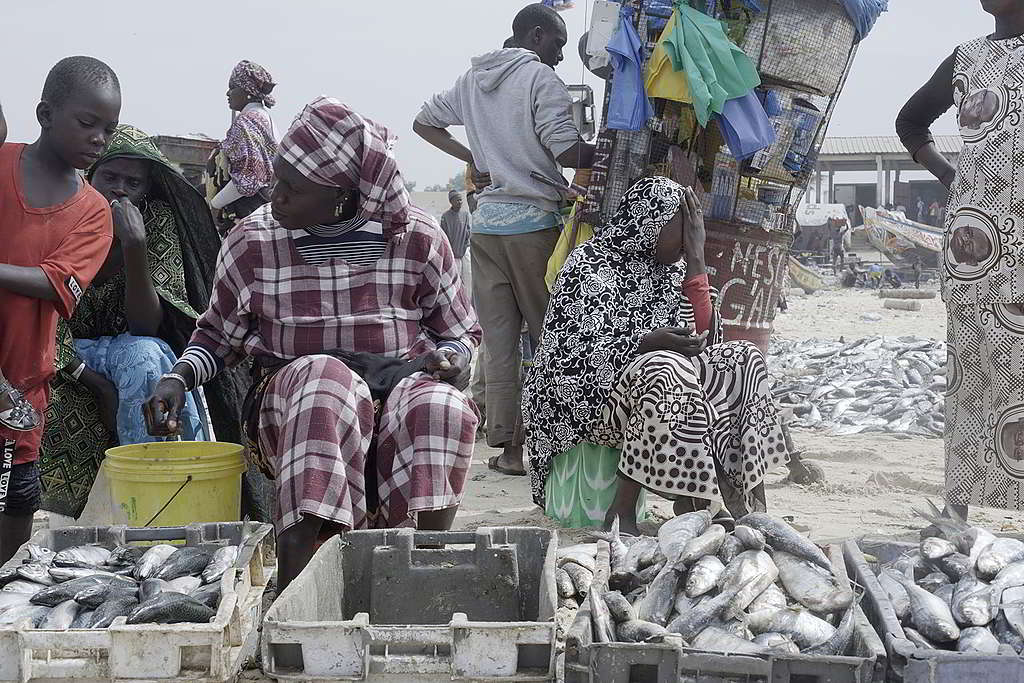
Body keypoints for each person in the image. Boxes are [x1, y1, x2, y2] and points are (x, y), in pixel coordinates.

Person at [144, 97, 480, 591]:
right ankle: (297, 588)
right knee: (329, 381)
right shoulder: (254, 241)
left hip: (395, 388)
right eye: (278, 178)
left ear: (345, 198)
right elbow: (217, 337)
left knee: (439, 404)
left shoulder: (417, 238)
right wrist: (177, 377)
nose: (275, 196)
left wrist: (453, 360)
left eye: (293, 188)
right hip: (295, 400)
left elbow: (459, 333)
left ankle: (419, 572)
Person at [522, 177, 788, 535]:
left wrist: (696, 259)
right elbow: (572, 357)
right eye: (684, 230)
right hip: (582, 404)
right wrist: (645, 344)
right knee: (663, 366)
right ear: (649, 222)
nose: (688, 241)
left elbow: (707, 343)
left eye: (694, 232)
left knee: (744, 359)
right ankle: (625, 510)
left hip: (654, 395)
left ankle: (743, 497)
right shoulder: (589, 264)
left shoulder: (674, 270)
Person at [414, 3, 595, 476]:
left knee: (500, 345)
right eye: (557, 44)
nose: (559, 56)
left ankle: (510, 451)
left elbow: (423, 121)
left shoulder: (472, 80)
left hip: (487, 229)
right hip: (533, 227)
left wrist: (472, 157)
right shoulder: (540, 79)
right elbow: (566, 149)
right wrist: (613, 146)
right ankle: (551, 450)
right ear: (536, 35)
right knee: (549, 340)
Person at [38, 125, 250, 520]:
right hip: (59, 349)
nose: (119, 190)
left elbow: (146, 327)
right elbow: (45, 315)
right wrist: (97, 384)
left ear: (146, 189)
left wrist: (134, 246)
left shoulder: (156, 222)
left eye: (132, 183)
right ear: (90, 176)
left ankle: (157, 498)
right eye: (110, 178)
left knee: (147, 357)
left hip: (125, 345)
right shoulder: (65, 215)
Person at [896, 0, 1024, 519]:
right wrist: (952, 178)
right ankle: (957, 509)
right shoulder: (965, 58)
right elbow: (910, 122)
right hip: (972, 246)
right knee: (970, 369)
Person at [0, 57, 119, 562]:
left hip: (19, 383)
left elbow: (54, 283)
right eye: (87, 123)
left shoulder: (93, 212)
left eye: (108, 129)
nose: (98, 138)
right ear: (45, 113)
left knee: (12, 496)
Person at [207, 60, 278, 233]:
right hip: (263, 211)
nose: (227, 93)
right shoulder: (264, 118)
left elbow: (249, 179)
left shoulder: (246, 123)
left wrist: (213, 204)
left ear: (247, 91)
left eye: (232, 87)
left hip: (245, 217)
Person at [440, 189, 472, 292]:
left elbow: (468, 232)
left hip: (465, 252)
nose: (460, 202)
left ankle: (468, 303)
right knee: (455, 280)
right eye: (458, 200)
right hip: (453, 254)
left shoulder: (466, 215)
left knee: (468, 277)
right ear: (451, 201)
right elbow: (443, 236)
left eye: (461, 200)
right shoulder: (445, 216)